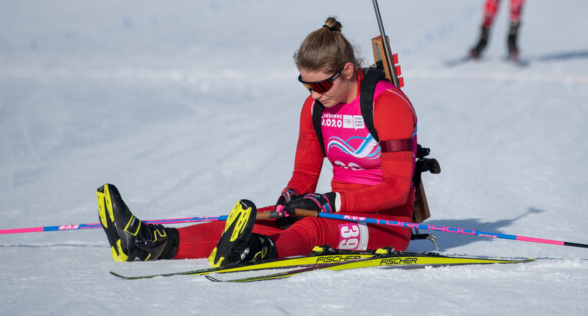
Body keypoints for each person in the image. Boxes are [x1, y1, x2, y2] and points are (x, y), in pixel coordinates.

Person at [97, 17, 419, 267]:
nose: (313, 95)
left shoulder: (388, 105)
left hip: (386, 223)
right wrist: (292, 196)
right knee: (252, 221)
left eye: (321, 86)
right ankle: (151, 242)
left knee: (312, 230)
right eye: (306, 86)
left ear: (347, 71)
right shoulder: (315, 108)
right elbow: (305, 174)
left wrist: (330, 203)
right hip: (336, 208)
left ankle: (256, 251)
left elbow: (396, 190)